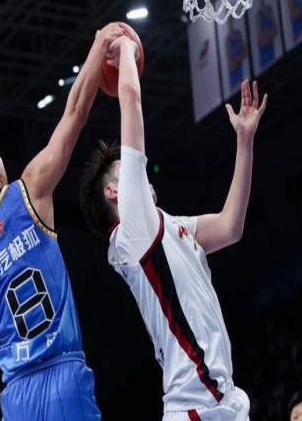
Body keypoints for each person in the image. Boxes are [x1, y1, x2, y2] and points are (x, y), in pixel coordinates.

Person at [79, 31, 268, 420]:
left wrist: (244, 142)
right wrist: (126, 47)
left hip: (222, 400)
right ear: (114, 192)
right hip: (196, 405)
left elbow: (230, 226)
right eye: (129, 171)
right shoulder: (133, 232)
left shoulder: (170, 227)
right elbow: (130, 98)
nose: (141, 174)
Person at [0, 23, 127, 420]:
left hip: (17, 396)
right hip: (62, 375)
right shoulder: (30, 191)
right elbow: (75, 112)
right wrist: (99, 44)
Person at [256, 0, 278, 69]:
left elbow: (276, 31)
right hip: (264, 56)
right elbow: (261, 40)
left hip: (272, 52)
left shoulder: (270, 10)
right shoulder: (258, 15)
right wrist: (270, 32)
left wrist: (267, 33)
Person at [225, 18, 248, 91]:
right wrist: (239, 57)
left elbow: (246, 52)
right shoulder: (227, 40)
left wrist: (237, 57)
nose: (230, 22)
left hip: (241, 75)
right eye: (228, 21)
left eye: (231, 19)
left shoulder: (238, 34)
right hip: (233, 78)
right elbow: (231, 65)